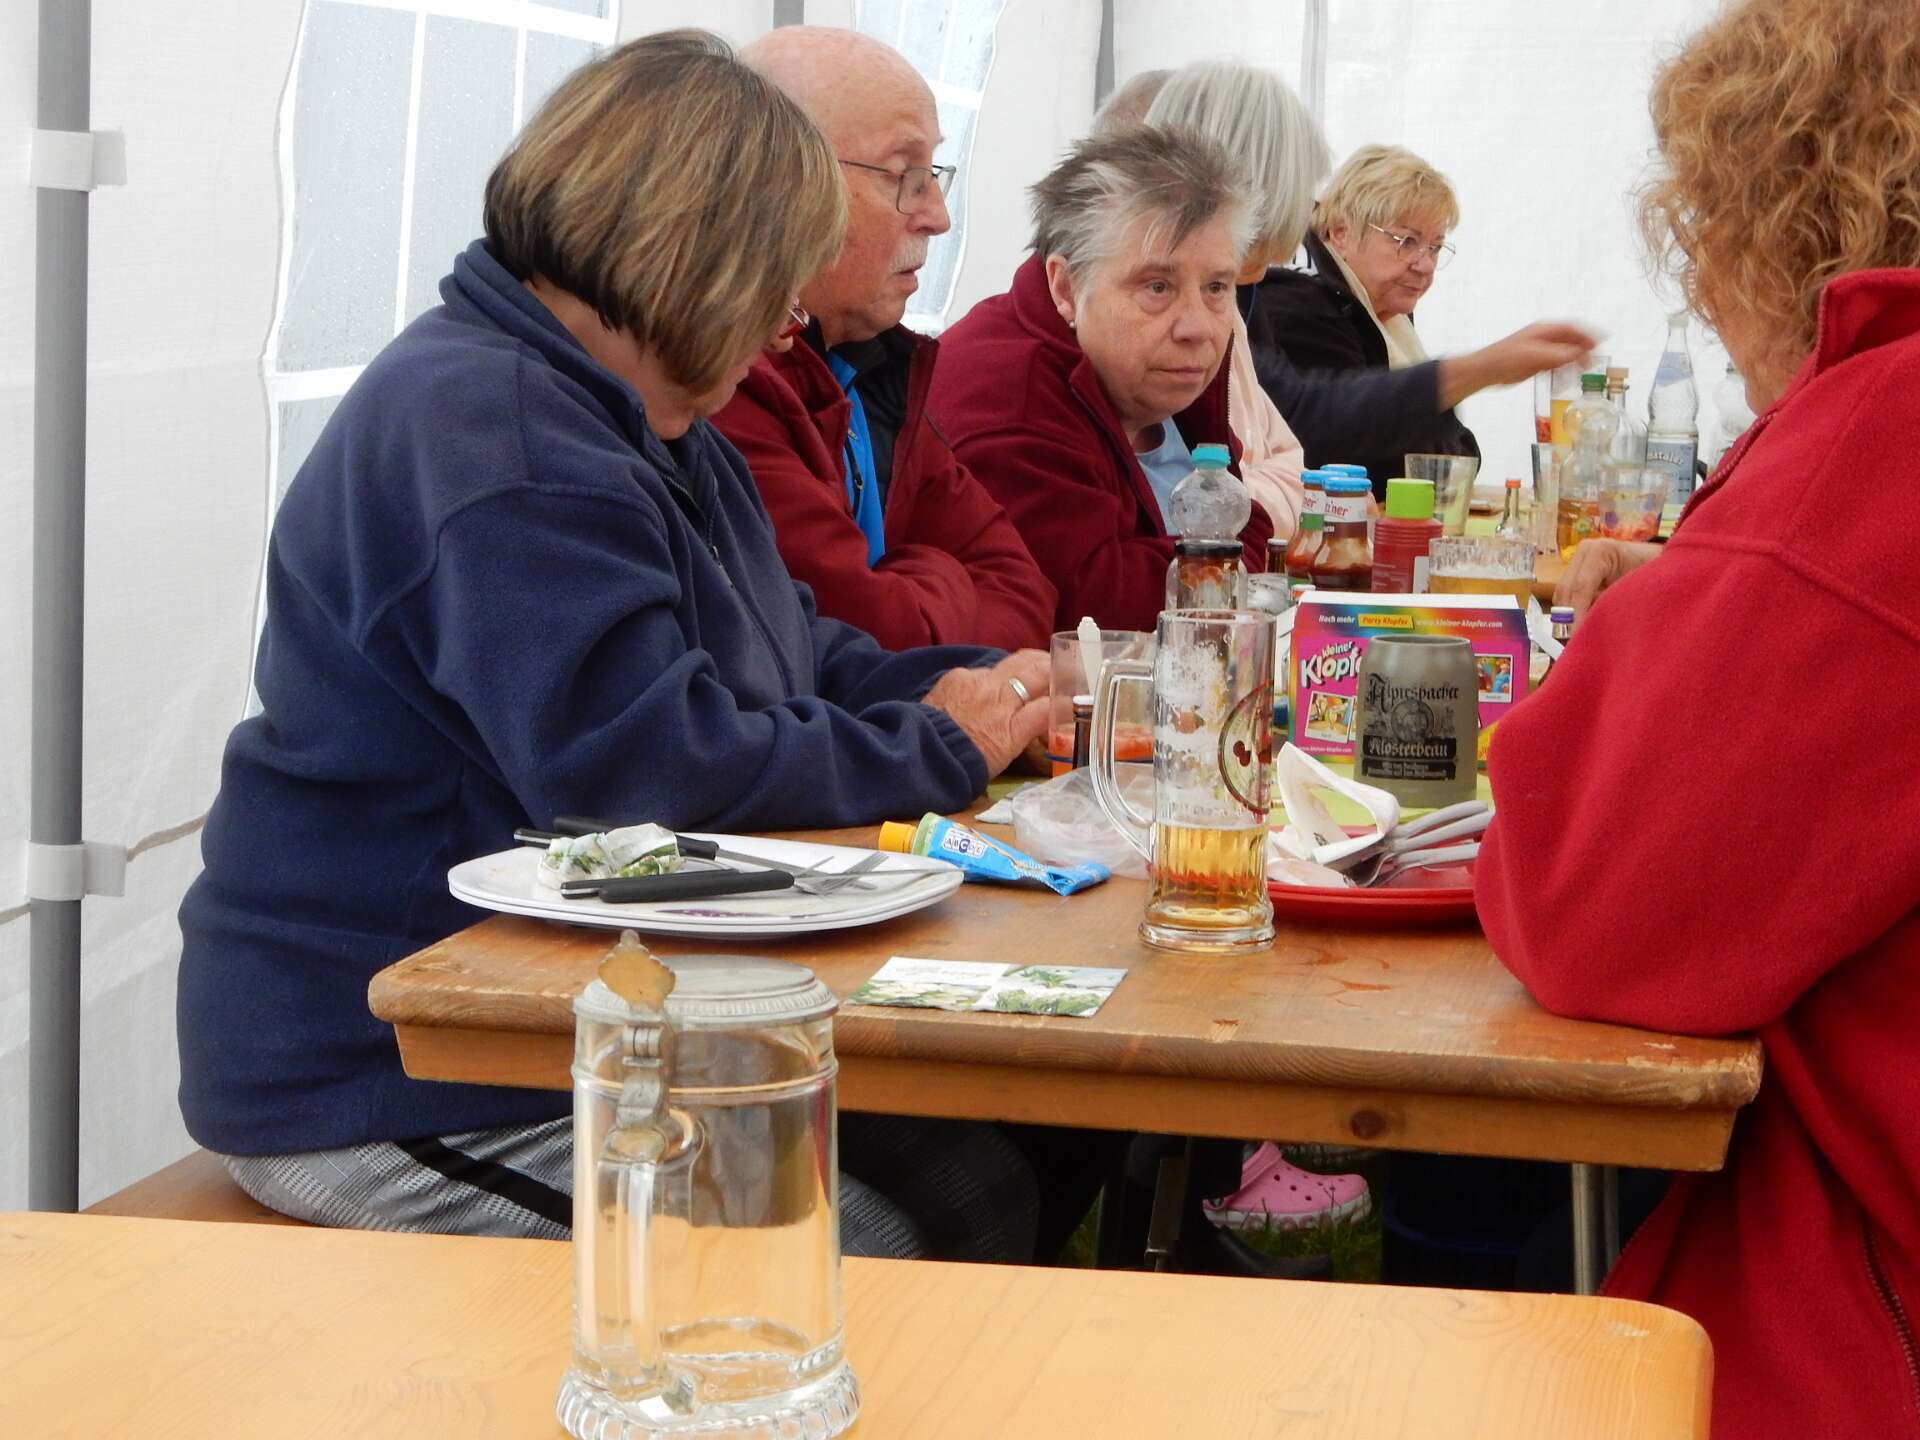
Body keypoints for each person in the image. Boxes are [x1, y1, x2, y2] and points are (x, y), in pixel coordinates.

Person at [176, 31, 1051, 1263]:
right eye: (775, 282)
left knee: (988, 1171)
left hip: (541, 1016)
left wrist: (989, 697)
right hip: (388, 1070)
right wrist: (939, 747)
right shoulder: (500, 432)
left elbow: (786, 650)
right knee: (849, 1248)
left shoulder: (640, 416)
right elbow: (644, 770)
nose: (787, 322)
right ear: (695, 255)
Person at [1476, 0, 1920, 1432]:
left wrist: (1645, 640)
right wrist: (1701, 599)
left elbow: (1590, 908)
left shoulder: (1883, 433)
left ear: (1774, 213)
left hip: (1856, 1316)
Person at [711, 27, 1055, 652]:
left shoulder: (873, 363)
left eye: (933, 172)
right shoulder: (721, 378)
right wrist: (942, 572)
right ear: (782, 183)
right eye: (904, 175)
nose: (939, 216)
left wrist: (911, 588)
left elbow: (1024, 588)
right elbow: (874, 634)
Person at [928, 126, 1273, 633]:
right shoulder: (1008, 397)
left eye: (1217, 287)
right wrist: (1227, 550)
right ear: (1066, 288)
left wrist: (1224, 548)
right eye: (1157, 287)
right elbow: (1096, 611)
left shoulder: (1157, 377)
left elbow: (1239, 534)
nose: (1197, 326)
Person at [1249, 144, 1589, 497]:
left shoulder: (1385, 313)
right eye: (1406, 241)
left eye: (1435, 247)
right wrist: (1481, 370)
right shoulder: (1303, 305)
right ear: (1341, 232)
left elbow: (1461, 454)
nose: (1424, 264)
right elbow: (1363, 455)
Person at [1090, 61, 1325, 536]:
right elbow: (1190, 504)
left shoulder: (1226, 308)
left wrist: (1245, 492)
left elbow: (1292, 474)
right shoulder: (1128, 316)